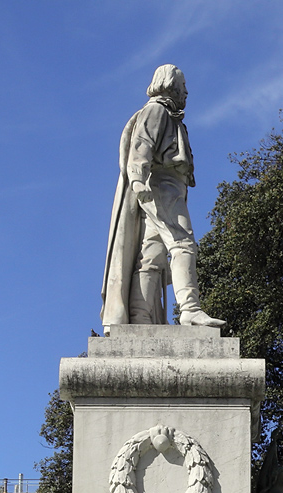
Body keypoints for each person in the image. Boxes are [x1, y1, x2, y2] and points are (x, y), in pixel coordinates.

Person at [101, 64, 226, 328]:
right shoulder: (157, 111)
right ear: (170, 85)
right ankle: (190, 309)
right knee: (182, 243)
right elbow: (141, 146)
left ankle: (140, 316)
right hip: (161, 185)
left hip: (167, 187)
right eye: (183, 86)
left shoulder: (170, 115)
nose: (187, 92)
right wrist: (137, 179)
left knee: (152, 253)